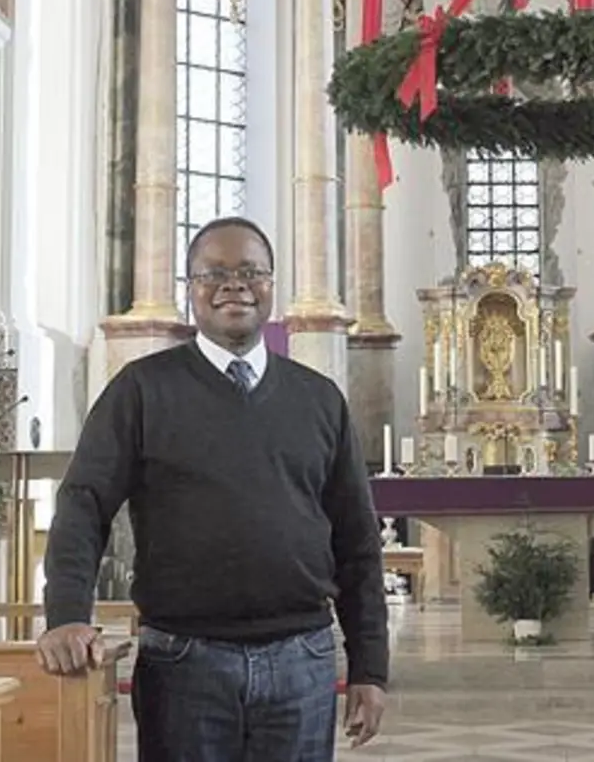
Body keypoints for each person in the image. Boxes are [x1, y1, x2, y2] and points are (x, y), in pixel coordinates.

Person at [36, 216, 389, 761]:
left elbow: (357, 540)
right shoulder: (142, 390)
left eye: (251, 270)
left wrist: (370, 667)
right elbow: (84, 503)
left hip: (302, 661)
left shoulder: (318, 400)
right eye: (213, 273)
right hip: (184, 664)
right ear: (190, 291)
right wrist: (65, 614)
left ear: (272, 285)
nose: (234, 283)